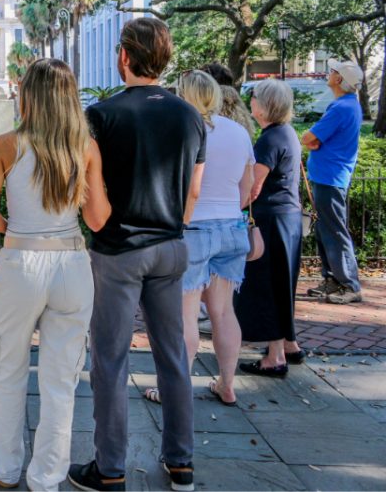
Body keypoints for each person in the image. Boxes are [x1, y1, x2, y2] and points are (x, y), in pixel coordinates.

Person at [68, 18, 205, 492]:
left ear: (124, 56)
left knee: (110, 360)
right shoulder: (191, 116)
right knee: (172, 357)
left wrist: (98, 223)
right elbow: (194, 193)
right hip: (171, 245)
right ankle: (181, 462)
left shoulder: (101, 115)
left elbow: (91, 196)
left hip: (120, 251)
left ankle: (109, 469)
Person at [0, 59, 110, 490]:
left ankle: (3, 464)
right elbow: (99, 219)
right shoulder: (84, 146)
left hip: (22, 264)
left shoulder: (6, 144)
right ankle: (47, 477)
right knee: (61, 376)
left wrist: (14, 230)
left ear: (28, 96)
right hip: (71, 262)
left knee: (7, 364)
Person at [143, 71, 253, 408]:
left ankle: (175, 388)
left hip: (192, 229)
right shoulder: (238, 132)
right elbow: (247, 191)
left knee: (185, 315)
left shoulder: (181, 129)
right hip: (231, 227)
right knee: (223, 312)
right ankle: (228, 383)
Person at [234, 79, 304, 377]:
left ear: (265, 105)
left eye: (254, 98)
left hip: (271, 220)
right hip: (288, 218)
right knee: (283, 282)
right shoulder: (287, 133)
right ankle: (289, 344)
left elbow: (254, 187)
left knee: (267, 285)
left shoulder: (269, 140)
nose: (251, 103)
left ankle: (274, 356)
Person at [302, 59, 364, 304]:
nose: (329, 73)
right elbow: (313, 140)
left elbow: (309, 137)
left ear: (339, 80)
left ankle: (349, 284)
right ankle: (333, 280)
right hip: (330, 177)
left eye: (333, 71)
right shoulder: (350, 105)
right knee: (326, 230)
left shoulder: (340, 108)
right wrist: (314, 141)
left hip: (330, 177)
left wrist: (313, 141)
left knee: (334, 231)